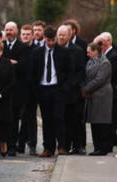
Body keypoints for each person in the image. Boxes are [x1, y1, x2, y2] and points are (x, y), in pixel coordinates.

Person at [29, 25, 72, 157]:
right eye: (49, 40)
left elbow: (69, 71)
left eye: (53, 40)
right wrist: (36, 90)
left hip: (57, 89)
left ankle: (62, 146)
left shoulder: (63, 52)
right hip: (43, 89)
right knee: (46, 120)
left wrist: (64, 87)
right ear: (44, 39)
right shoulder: (37, 53)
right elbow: (32, 73)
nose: (51, 43)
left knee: (59, 118)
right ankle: (48, 147)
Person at [57, 25, 87, 155]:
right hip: (57, 91)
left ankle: (78, 145)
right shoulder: (55, 50)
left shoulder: (77, 51)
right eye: (59, 35)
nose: (61, 37)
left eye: (64, 35)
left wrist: (71, 84)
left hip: (72, 92)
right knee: (60, 120)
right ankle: (63, 145)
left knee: (74, 120)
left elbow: (80, 71)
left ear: (69, 35)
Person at [2, 21, 30, 156]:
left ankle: (13, 145)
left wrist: (9, 63)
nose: (8, 32)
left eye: (11, 29)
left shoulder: (23, 47)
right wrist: (11, 62)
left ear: (16, 31)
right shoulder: (1, 46)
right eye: (6, 29)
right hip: (3, 88)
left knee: (14, 119)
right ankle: (3, 145)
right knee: (4, 119)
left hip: (18, 89)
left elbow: (24, 66)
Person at [82, 42, 113, 156]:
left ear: (96, 51)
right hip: (92, 96)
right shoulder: (90, 61)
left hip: (102, 95)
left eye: (89, 51)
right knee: (94, 122)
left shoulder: (105, 63)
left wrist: (86, 89)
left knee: (102, 122)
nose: (87, 54)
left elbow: (100, 79)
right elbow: (87, 76)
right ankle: (97, 147)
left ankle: (103, 148)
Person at [18, 24, 39, 155]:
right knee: (22, 116)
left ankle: (32, 144)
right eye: (23, 34)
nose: (25, 36)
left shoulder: (37, 50)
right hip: (19, 88)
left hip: (33, 89)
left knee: (30, 117)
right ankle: (20, 143)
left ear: (32, 35)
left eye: (27, 34)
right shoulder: (18, 49)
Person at [94, 32, 117, 150]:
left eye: (101, 43)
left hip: (110, 93)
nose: (99, 46)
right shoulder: (102, 56)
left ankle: (108, 145)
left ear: (109, 41)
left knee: (110, 120)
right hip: (102, 93)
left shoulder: (113, 56)